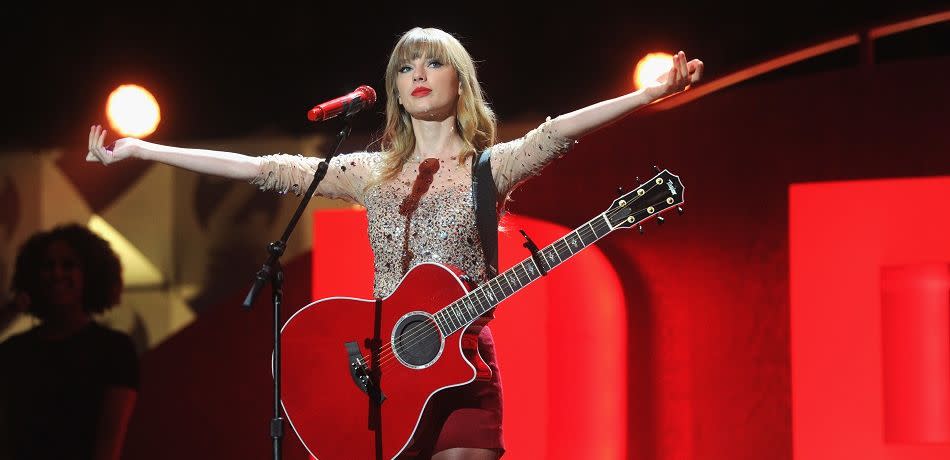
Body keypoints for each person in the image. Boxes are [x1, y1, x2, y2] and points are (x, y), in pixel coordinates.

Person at [86, 27, 702, 460]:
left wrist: (650, 94)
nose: (416, 75)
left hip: (464, 367)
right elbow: (258, 168)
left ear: (459, 82)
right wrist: (142, 150)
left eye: (431, 64)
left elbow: (558, 131)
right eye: (404, 68)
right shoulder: (370, 174)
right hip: (381, 371)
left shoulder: (492, 166)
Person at [0, 223, 139, 460]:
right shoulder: (13, 352)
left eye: (69, 265)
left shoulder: (114, 350)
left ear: (90, 275)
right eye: (48, 266)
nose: (57, 274)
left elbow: (109, 443)